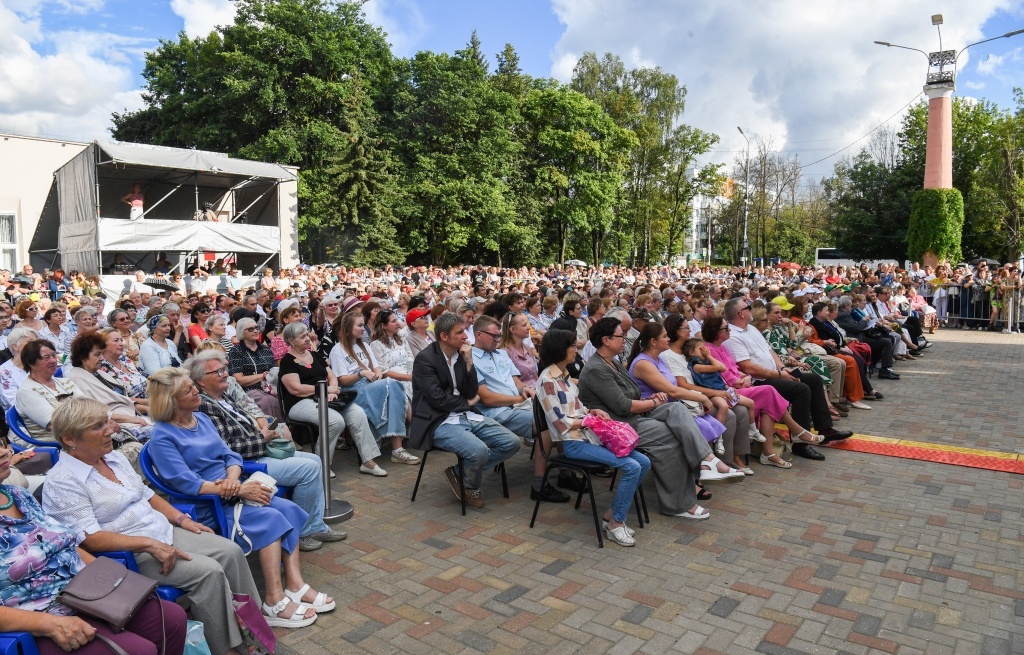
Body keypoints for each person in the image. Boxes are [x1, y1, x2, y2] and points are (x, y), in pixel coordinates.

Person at [42, 397, 257, 655]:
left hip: (160, 532)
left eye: (107, 421)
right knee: (208, 572)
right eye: (98, 426)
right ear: (69, 439)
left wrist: (182, 519)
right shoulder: (62, 482)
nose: (111, 429)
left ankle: (254, 632)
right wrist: (148, 543)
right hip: (129, 554)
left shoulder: (113, 458)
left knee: (231, 552)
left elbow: (147, 495)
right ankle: (227, 649)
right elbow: (90, 539)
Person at [146, 367, 330, 629]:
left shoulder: (201, 419)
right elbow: (184, 482)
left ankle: (295, 585)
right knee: (270, 517)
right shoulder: (163, 436)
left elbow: (230, 455)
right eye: (188, 390)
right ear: (170, 400)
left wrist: (234, 479)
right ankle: (273, 601)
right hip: (210, 503)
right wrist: (234, 489)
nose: (196, 391)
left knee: (287, 509)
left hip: (232, 490)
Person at [0, 444, 188, 655]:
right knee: (139, 650)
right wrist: (46, 623)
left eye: (0, 444)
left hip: (82, 593)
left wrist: (109, 575)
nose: (3, 452)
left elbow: (63, 543)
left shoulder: (17, 495)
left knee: (172, 620)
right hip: (38, 615)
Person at [577, 317, 743, 521]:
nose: (625, 340)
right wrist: (654, 402)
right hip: (616, 426)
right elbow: (624, 405)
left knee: (675, 409)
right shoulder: (597, 368)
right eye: (621, 336)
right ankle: (684, 495)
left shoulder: (612, 363)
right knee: (673, 438)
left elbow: (633, 395)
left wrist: (650, 399)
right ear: (606, 340)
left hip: (632, 417)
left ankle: (706, 462)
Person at [188, 351, 347, 553]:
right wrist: (262, 438)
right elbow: (227, 448)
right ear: (201, 381)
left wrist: (266, 431)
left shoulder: (224, 396)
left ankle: (316, 526)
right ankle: (302, 533)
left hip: (258, 452)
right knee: (308, 469)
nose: (224, 374)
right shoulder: (205, 406)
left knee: (315, 460)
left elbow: (247, 424)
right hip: (245, 464)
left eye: (224, 369)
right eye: (218, 371)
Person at [536, 329, 650, 546]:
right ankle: (616, 522)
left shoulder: (564, 376)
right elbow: (560, 423)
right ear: (560, 349)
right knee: (632, 466)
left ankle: (613, 514)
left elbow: (576, 409)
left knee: (643, 461)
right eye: (572, 345)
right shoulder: (548, 380)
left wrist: (591, 412)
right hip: (574, 443)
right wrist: (588, 420)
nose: (576, 348)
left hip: (588, 437)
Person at [408, 312, 521, 509]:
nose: (466, 336)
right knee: (479, 451)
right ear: (444, 336)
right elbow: (437, 399)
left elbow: (470, 391)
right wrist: (466, 403)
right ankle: (470, 486)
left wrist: (469, 364)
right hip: (438, 420)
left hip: (465, 415)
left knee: (511, 442)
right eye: (460, 332)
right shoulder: (425, 359)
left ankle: (460, 472)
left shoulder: (461, 354)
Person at [719, 299, 851, 461]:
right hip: (758, 380)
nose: (751, 309)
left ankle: (825, 429)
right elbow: (748, 368)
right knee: (801, 389)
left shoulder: (751, 328)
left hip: (774, 372)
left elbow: (770, 352)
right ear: (741, 313)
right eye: (748, 307)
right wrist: (779, 375)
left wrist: (782, 368)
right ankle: (800, 444)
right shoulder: (733, 335)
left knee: (814, 379)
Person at [472, 316, 568, 503]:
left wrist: (526, 389)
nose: (497, 339)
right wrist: (519, 397)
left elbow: (516, 381)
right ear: (479, 334)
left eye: (499, 336)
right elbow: (488, 399)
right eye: (493, 336)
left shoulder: (501, 354)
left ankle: (566, 471)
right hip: (498, 412)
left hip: (518, 405)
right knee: (548, 423)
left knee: (559, 412)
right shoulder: (471, 359)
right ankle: (540, 485)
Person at [278, 322, 375, 478]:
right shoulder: (287, 361)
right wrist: (324, 389)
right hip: (299, 402)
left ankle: (368, 460)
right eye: (302, 337)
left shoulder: (314, 355)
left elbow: (331, 376)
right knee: (335, 421)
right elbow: (295, 388)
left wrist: (333, 390)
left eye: (307, 334)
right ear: (290, 341)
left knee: (357, 413)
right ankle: (321, 464)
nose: (308, 339)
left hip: (324, 396)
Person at [658, 314, 752, 473]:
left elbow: (714, 371)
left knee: (742, 410)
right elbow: (683, 385)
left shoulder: (690, 350)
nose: (690, 330)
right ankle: (720, 460)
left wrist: (723, 388)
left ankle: (734, 457)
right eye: (686, 328)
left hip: (705, 392)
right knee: (730, 415)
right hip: (692, 398)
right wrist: (717, 392)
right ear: (676, 331)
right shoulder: (668, 355)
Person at [329, 312, 416, 475]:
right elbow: (343, 380)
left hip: (372, 384)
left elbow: (377, 368)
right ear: (348, 329)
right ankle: (398, 448)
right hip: (354, 390)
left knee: (395, 389)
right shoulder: (337, 350)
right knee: (395, 385)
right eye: (359, 326)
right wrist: (362, 374)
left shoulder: (364, 346)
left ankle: (397, 448)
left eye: (363, 325)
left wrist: (375, 375)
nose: (363, 329)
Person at [227, 317, 282, 420]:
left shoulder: (265, 349)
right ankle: (273, 429)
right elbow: (238, 379)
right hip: (249, 390)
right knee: (269, 401)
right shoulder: (236, 351)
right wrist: (263, 376)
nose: (256, 331)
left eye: (256, 328)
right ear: (241, 332)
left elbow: (274, 371)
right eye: (250, 329)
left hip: (271, 388)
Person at [369, 309, 414, 402]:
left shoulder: (401, 339)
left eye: (397, 320)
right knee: (407, 387)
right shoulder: (376, 344)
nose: (397, 323)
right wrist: (408, 377)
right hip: (394, 380)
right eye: (393, 321)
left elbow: (411, 358)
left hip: (410, 374)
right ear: (384, 326)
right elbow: (383, 371)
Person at [0, 326, 37, 411]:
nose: (36, 346)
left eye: (37, 342)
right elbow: (13, 403)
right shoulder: (4, 372)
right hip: (22, 415)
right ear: (15, 347)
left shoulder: (38, 364)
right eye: (30, 342)